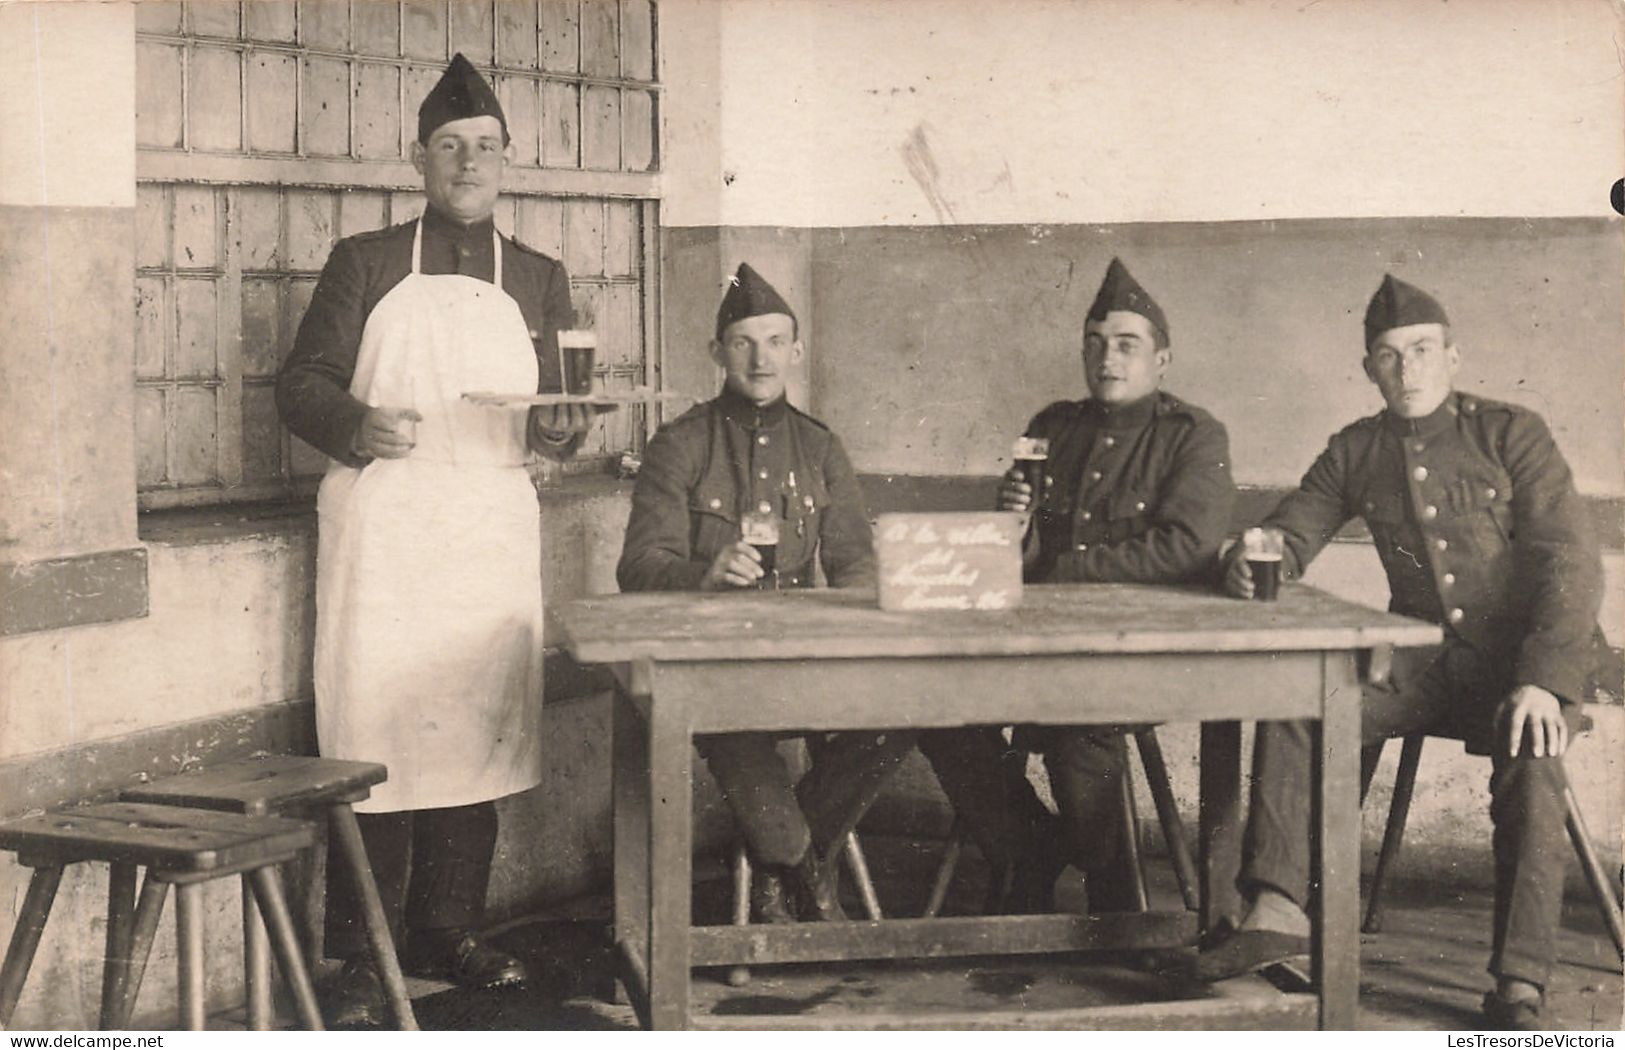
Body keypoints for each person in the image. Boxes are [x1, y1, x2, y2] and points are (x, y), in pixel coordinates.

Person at [1194, 274, 1605, 1031]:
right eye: (1387, 356)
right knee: (1302, 702)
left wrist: (1546, 682)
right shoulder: (1357, 448)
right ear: (1368, 370)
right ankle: (1279, 908)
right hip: (1420, 659)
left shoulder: (1510, 432)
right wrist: (1259, 552)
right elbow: (1293, 529)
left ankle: (1518, 983)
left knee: (1534, 764)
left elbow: (1570, 563)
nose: (1406, 369)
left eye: (1420, 351)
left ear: (1452, 356)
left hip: (1524, 661)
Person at [276, 53, 594, 1027]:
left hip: (486, 522)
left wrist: (559, 430)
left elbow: (565, 409)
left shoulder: (539, 276)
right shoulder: (365, 262)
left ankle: (444, 930)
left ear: (508, 160)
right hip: (389, 522)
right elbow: (301, 387)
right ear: (418, 160)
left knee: (473, 722)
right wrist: (353, 425)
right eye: (450, 147)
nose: (468, 162)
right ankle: (356, 949)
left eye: (485, 146)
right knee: (372, 725)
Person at [618, 263, 915, 922]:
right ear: (717, 352)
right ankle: (793, 856)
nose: (760, 358)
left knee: (903, 711)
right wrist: (703, 572)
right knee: (749, 761)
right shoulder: (680, 445)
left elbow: (855, 565)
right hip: (714, 669)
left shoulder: (817, 447)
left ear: (796, 351)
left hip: (805, 662)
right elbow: (637, 566)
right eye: (744, 342)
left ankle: (785, 860)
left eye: (775, 341)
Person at [988, 258, 1236, 913]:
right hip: (1044, 643)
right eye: (1094, 344)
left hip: (1149, 650)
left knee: (1079, 710)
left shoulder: (1192, 436)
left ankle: (1114, 899)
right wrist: (1014, 529)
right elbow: (1014, 560)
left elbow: (1188, 547)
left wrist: (1057, 571)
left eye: (1127, 345)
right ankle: (1029, 841)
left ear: (1162, 359)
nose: (1108, 358)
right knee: (938, 710)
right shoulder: (1051, 428)